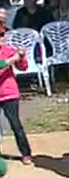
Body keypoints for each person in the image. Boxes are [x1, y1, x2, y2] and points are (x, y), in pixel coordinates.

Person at [0, 28, 32, 165]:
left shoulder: (8, 50)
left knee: (16, 124)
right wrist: (12, 59)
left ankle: (26, 153)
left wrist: (21, 56)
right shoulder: (9, 55)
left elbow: (23, 67)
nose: (1, 38)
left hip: (9, 93)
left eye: (2, 35)